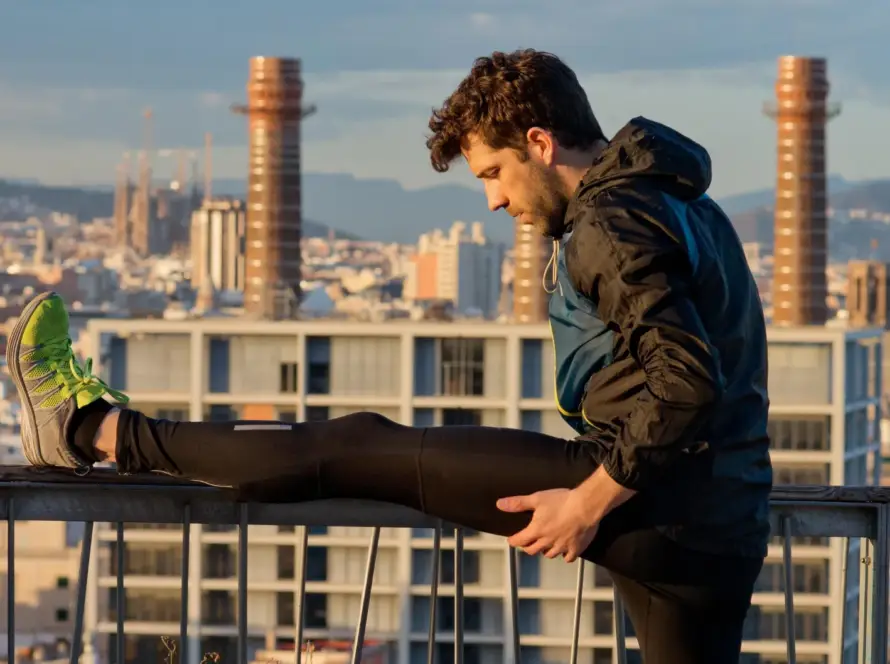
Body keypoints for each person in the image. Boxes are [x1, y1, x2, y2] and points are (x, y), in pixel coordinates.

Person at [6, 49, 771, 664]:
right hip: (723, 524)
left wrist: (587, 503)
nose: (494, 200)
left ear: (540, 143)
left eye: (493, 173)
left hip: (653, 502)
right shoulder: (684, 202)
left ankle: (89, 427)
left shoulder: (610, 220)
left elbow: (686, 382)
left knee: (356, 446)